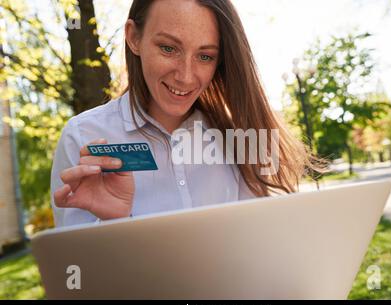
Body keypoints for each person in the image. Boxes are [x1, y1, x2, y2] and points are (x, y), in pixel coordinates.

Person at [51, 0, 323, 228]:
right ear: (134, 38)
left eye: (205, 56)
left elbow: (263, 249)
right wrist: (114, 224)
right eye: (168, 48)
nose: (185, 76)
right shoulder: (84, 137)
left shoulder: (237, 136)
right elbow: (77, 282)